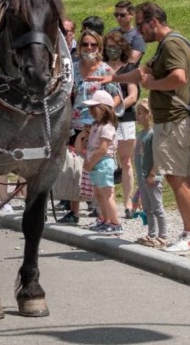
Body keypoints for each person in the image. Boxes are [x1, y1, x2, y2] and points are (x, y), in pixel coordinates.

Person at [92, 1, 190, 253]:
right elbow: (141, 71)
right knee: (186, 177)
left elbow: (178, 78)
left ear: (153, 21)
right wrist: (115, 78)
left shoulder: (172, 44)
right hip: (176, 120)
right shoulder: (168, 44)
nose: (138, 31)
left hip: (174, 120)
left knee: (176, 178)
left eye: (140, 24)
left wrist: (152, 84)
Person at [58, 29, 119, 224]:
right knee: (77, 168)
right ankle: (74, 211)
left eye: (93, 44)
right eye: (85, 44)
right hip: (75, 123)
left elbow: (117, 95)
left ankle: (103, 214)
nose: (89, 48)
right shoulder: (73, 69)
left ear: (99, 47)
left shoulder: (105, 69)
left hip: (97, 125)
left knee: (98, 165)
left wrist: (105, 115)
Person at [103, 30, 140, 218]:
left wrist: (116, 109)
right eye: (108, 47)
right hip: (103, 120)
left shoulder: (129, 69)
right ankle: (106, 202)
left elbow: (133, 96)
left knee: (126, 161)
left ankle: (127, 202)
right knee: (106, 161)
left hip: (125, 118)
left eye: (115, 47)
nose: (112, 50)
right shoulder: (101, 68)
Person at [82, 90, 122, 234]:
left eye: (94, 108)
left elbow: (103, 149)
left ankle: (116, 223)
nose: (91, 111)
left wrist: (91, 162)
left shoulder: (106, 126)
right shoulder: (96, 126)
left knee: (107, 193)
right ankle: (105, 220)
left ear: (104, 109)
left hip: (103, 162)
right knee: (99, 194)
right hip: (95, 163)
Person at [133, 99, 168, 248]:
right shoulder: (141, 134)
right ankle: (151, 234)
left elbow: (160, 155)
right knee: (147, 207)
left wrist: (153, 173)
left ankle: (163, 236)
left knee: (157, 207)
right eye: (137, 113)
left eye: (141, 113)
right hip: (142, 177)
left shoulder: (154, 133)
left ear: (150, 114)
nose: (138, 117)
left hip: (154, 175)